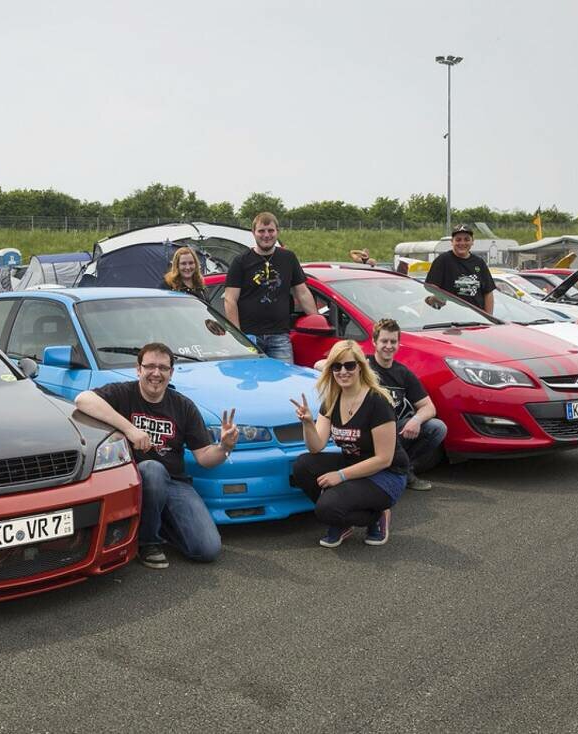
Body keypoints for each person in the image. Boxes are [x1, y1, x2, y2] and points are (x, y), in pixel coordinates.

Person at [74, 342, 238, 569]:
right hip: (134, 480)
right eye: (150, 366)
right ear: (138, 369)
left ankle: (159, 524)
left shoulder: (184, 406)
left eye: (163, 368)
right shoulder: (123, 393)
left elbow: (204, 458)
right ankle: (148, 543)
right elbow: (83, 399)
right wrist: (130, 429)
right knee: (152, 469)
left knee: (207, 549)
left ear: (171, 372)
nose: (156, 373)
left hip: (174, 483)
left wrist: (224, 447)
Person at [290, 340, 409, 548]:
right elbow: (316, 447)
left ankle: (376, 515)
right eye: (337, 366)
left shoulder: (377, 402)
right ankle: (341, 520)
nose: (343, 371)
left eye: (349, 365)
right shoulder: (332, 399)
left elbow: (384, 459)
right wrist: (308, 423)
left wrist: (340, 476)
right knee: (303, 465)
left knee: (326, 508)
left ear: (360, 367)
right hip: (353, 463)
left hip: (386, 474)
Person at [224, 212, 317, 362]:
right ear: (253, 232)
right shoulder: (240, 261)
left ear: (277, 232)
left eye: (270, 231)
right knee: (251, 381)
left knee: (283, 383)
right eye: (261, 231)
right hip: (249, 337)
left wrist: (316, 321)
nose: (266, 235)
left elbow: (302, 293)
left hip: (280, 336)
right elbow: (230, 299)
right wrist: (238, 336)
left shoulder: (289, 258)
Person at [366, 319, 447, 491]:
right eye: (384, 341)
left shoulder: (403, 373)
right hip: (367, 431)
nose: (389, 346)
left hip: (394, 430)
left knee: (437, 428)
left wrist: (416, 420)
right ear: (374, 342)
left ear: (398, 343)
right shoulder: (362, 366)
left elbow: (429, 407)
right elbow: (320, 365)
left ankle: (404, 469)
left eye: (393, 341)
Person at [425, 224, 495, 313]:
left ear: (472, 241)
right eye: (458, 240)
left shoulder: (479, 263)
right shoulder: (443, 261)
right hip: (451, 320)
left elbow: (488, 292)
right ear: (452, 241)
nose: (462, 243)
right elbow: (431, 289)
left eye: (466, 239)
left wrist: (489, 318)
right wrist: (437, 301)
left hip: (477, 320)